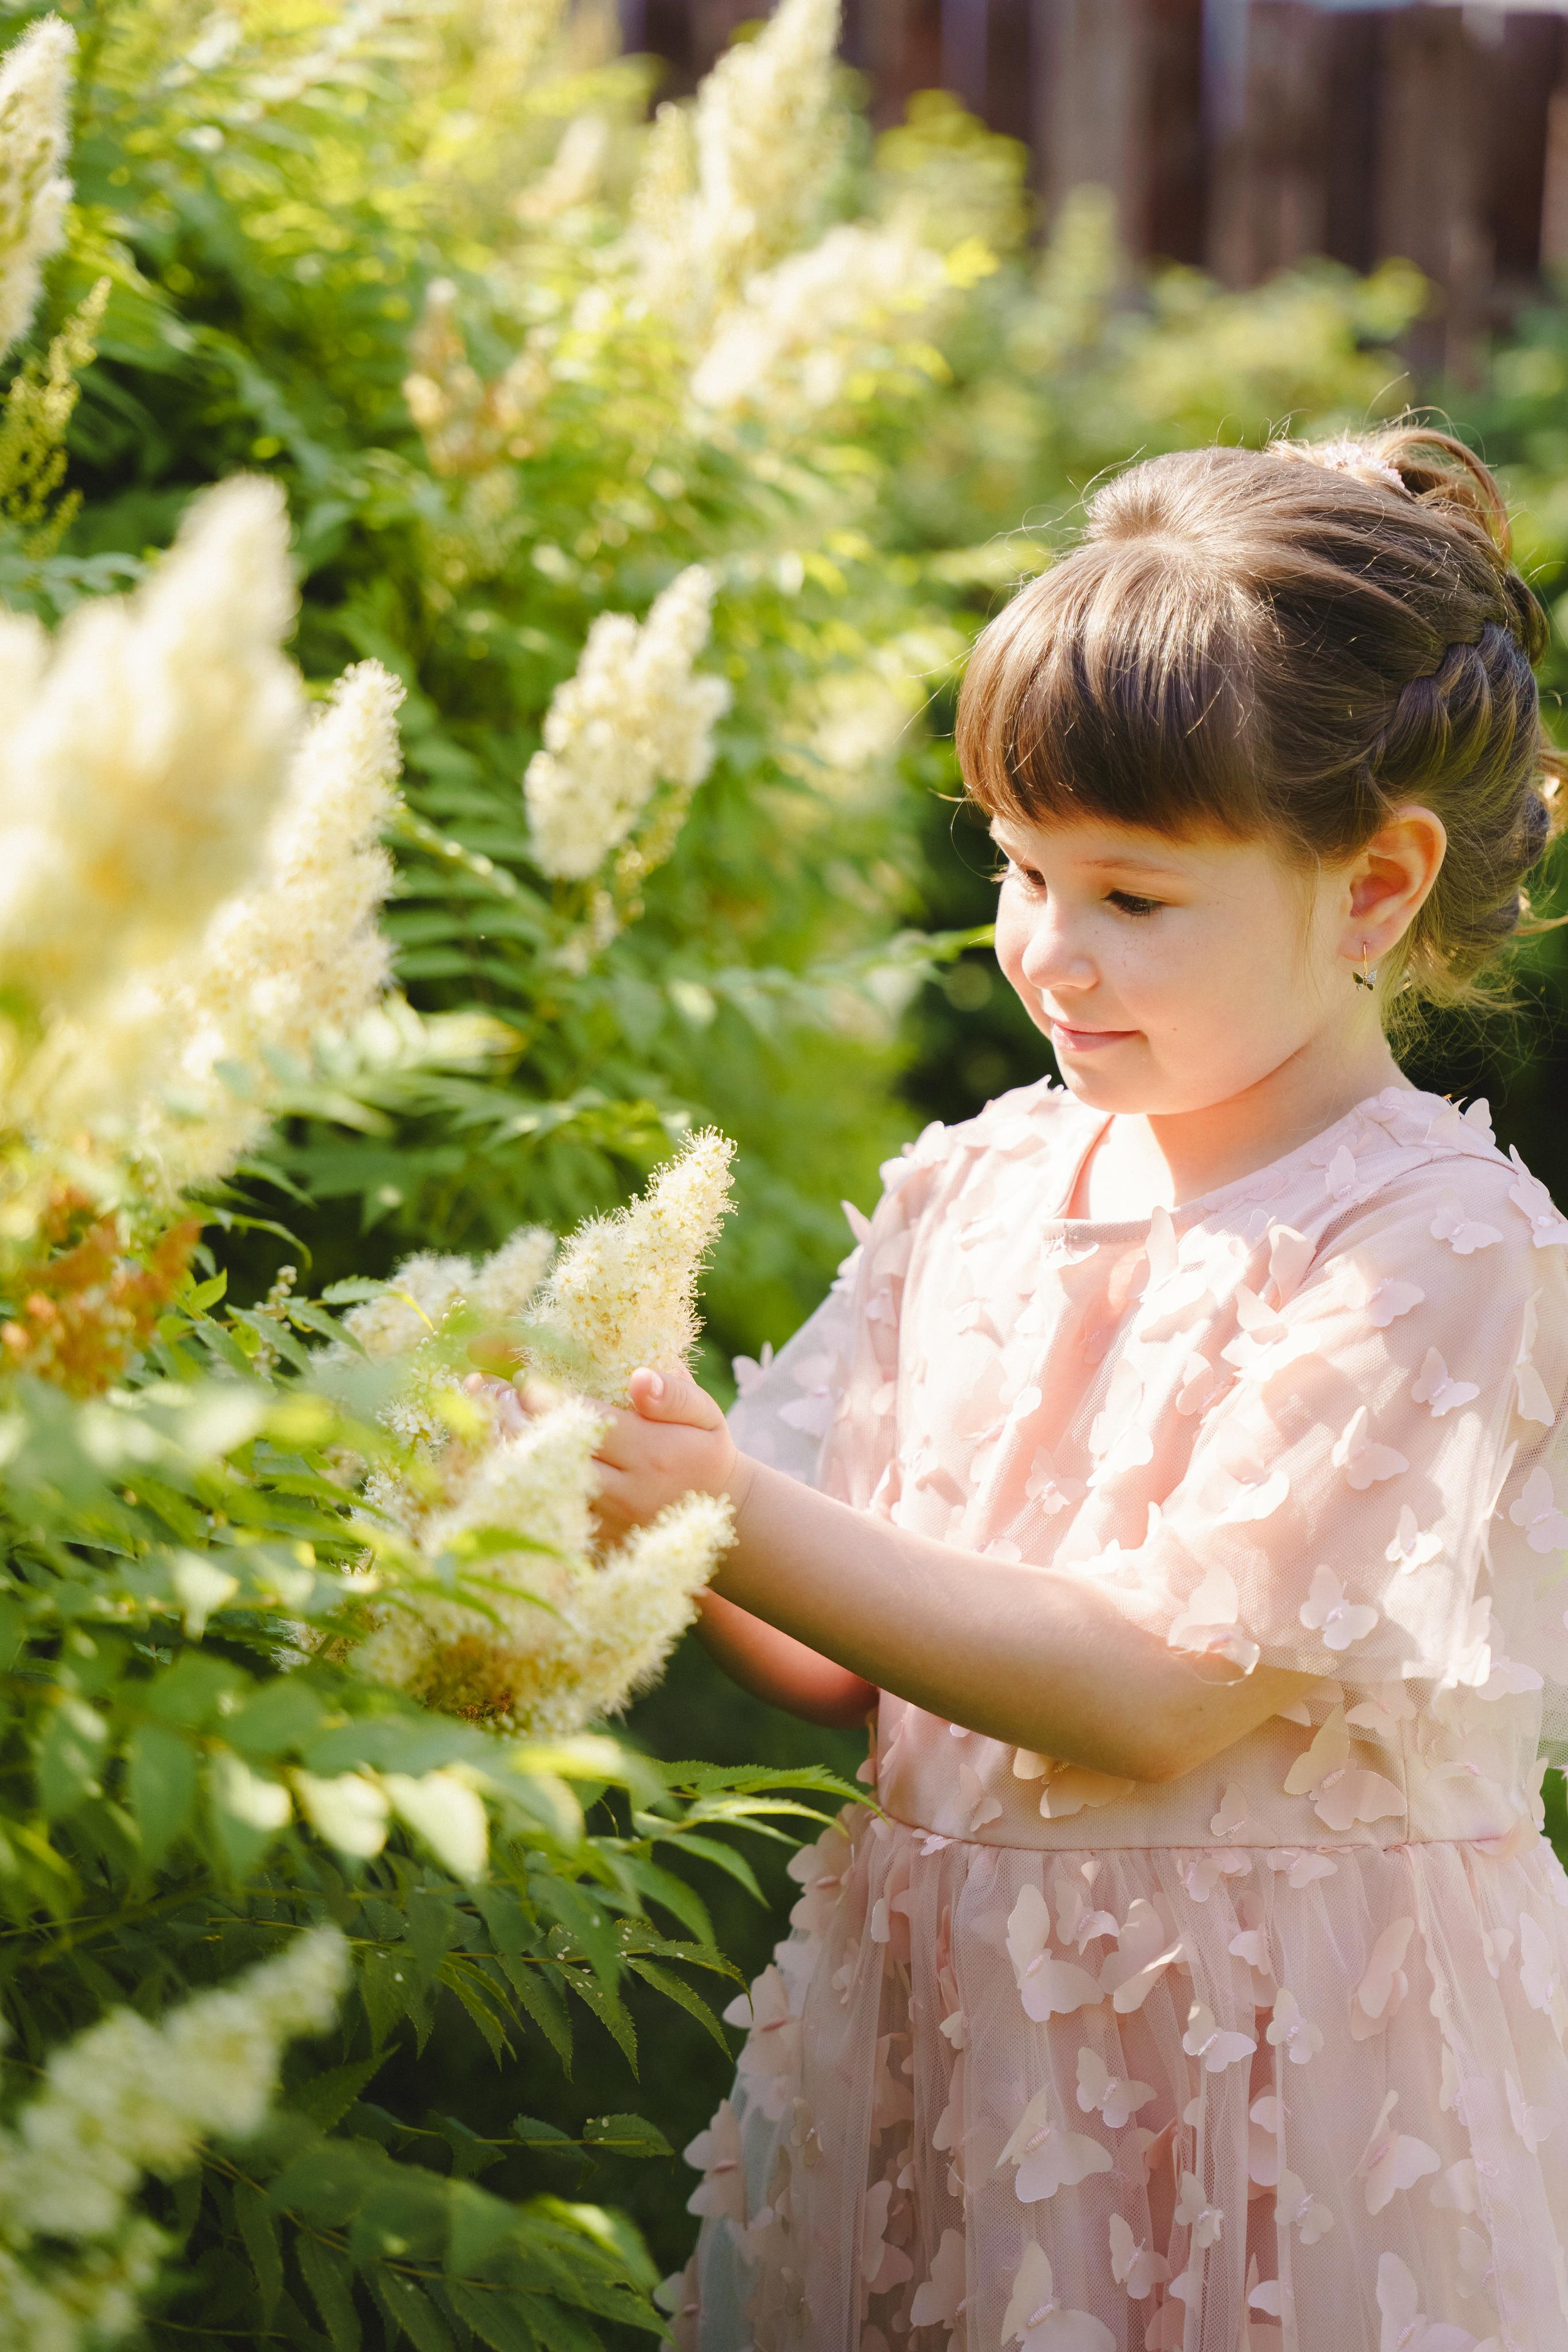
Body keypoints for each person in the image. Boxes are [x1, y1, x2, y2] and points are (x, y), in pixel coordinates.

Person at [596, 430, 1568, 2350]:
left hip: (1276, 2092)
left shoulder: (1435, 1247)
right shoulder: (977, 1185)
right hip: (960, 2039)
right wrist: (637, 1468)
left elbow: (1149, 1694)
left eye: (1132, 894)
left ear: (1376, 888)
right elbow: (826, 1648)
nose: (1050, 950)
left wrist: (724, 1505)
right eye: (1022, 869)